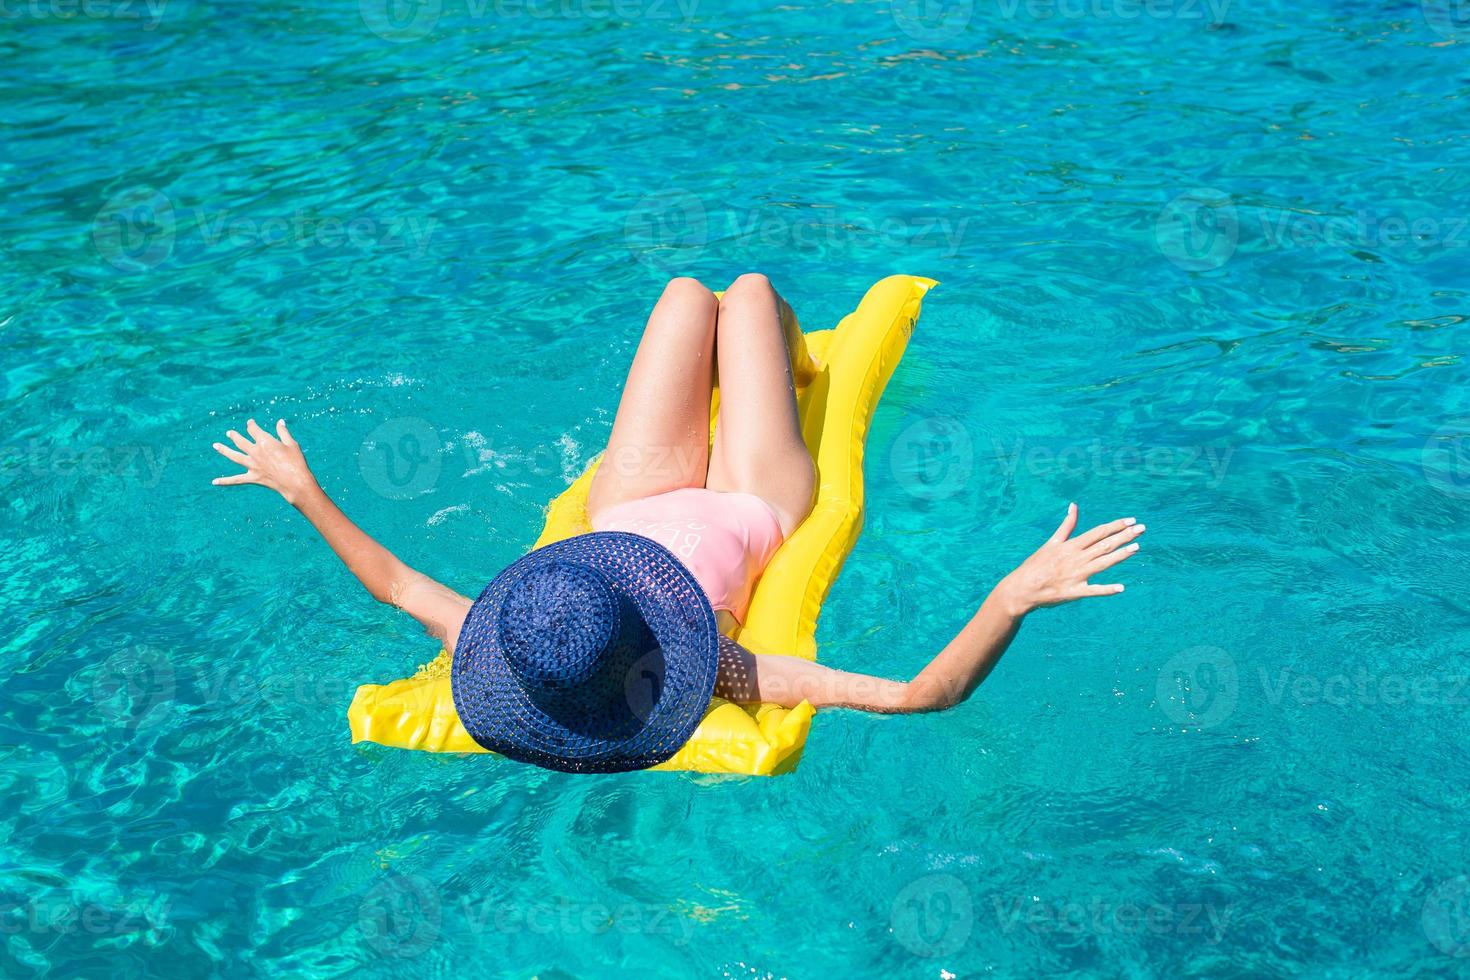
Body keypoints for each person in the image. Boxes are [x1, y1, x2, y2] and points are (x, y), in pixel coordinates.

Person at [211, 274, 1143, 773]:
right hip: (750, 497)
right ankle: (785, 348)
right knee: (745, 291)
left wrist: (303, 490)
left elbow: (396, 582)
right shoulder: (714, 673)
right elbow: (915, 697)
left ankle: (771, 349)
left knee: (683, 295)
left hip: (627, 503)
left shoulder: (516, 639)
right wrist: (1011, 597)